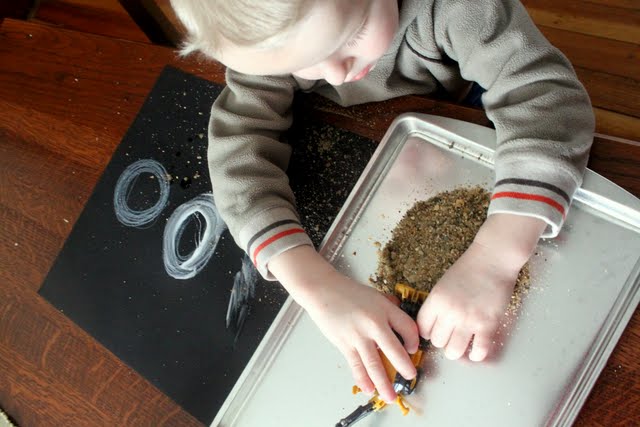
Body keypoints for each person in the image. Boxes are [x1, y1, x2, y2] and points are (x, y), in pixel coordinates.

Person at [169, 0, 594, 403]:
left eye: (351, 36)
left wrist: (496, 256)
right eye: (300, 65)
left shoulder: (459, 10)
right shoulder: (274, 38)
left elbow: (545, 98)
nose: (334, 75)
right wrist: (313, 284)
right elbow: (238, 157)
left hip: (469, 94)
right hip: (376, 132)